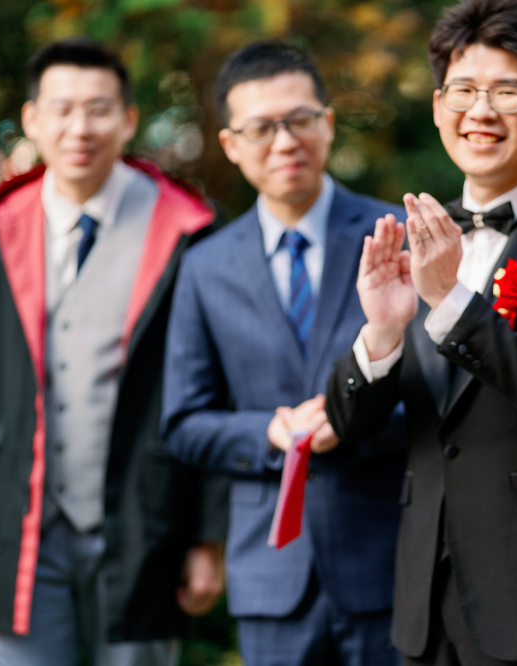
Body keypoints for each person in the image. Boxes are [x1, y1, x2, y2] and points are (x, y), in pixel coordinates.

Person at [324, 1, 517, 664]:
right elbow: (350, 425)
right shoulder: (420, 234)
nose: (481, 111)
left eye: (505, 92)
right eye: (464, 91)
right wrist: (382, 333)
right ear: (438, 106)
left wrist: (449, 302)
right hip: (423, 594)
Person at [0, 37, 228, 665]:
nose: (80, 128)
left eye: (99, 109)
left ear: (127, 119)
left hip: (146, 523)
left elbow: (216, 388)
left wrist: (208, 537)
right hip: (21, 521)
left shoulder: (188, 229)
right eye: (61, 109)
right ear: (32, 119)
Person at [161, 40, 406, 666]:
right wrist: (269, 434)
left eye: (300, 120)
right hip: (270, 575)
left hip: (386, 561)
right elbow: (184, 422)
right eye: (261, 128)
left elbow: (438, 394)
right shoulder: (205, 266)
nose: (285, 141)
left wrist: (352, 421)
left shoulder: (394, 238)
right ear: (230, 143)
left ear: (328, 122)